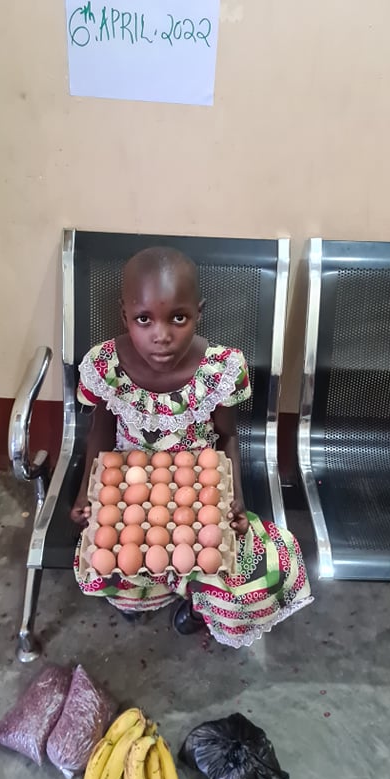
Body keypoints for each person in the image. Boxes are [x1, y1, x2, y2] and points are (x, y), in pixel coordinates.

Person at [71, 246, 313, 648]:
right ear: (124, 316)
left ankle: (200, 606)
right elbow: (100, 433)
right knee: (113, 557)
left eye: (178, 318)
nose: (161, 335)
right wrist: (86, 491)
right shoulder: (106, 366)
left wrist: (235, 498)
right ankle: (153, 593)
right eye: (144, 319)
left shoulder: (218, 369)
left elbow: (228, 437)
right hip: (133, 492)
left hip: (200, 491)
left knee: (252, 567)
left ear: (199, 313)